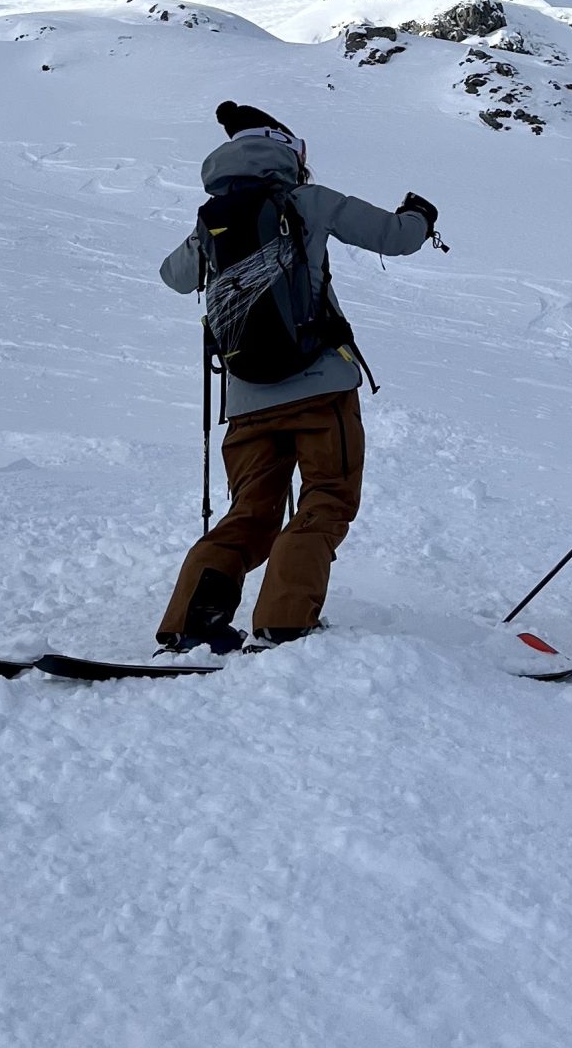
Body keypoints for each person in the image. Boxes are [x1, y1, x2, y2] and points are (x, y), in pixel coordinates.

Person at [155, 101, 437, 652]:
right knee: (326, 499)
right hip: (320, 387)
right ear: (288, 154)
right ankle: (283, 621)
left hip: (247, 399)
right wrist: (420, 215)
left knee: (251, 512)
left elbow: (174, 277)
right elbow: (395, 237)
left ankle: (191, 621)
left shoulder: (211, 217)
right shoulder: (307, 200)